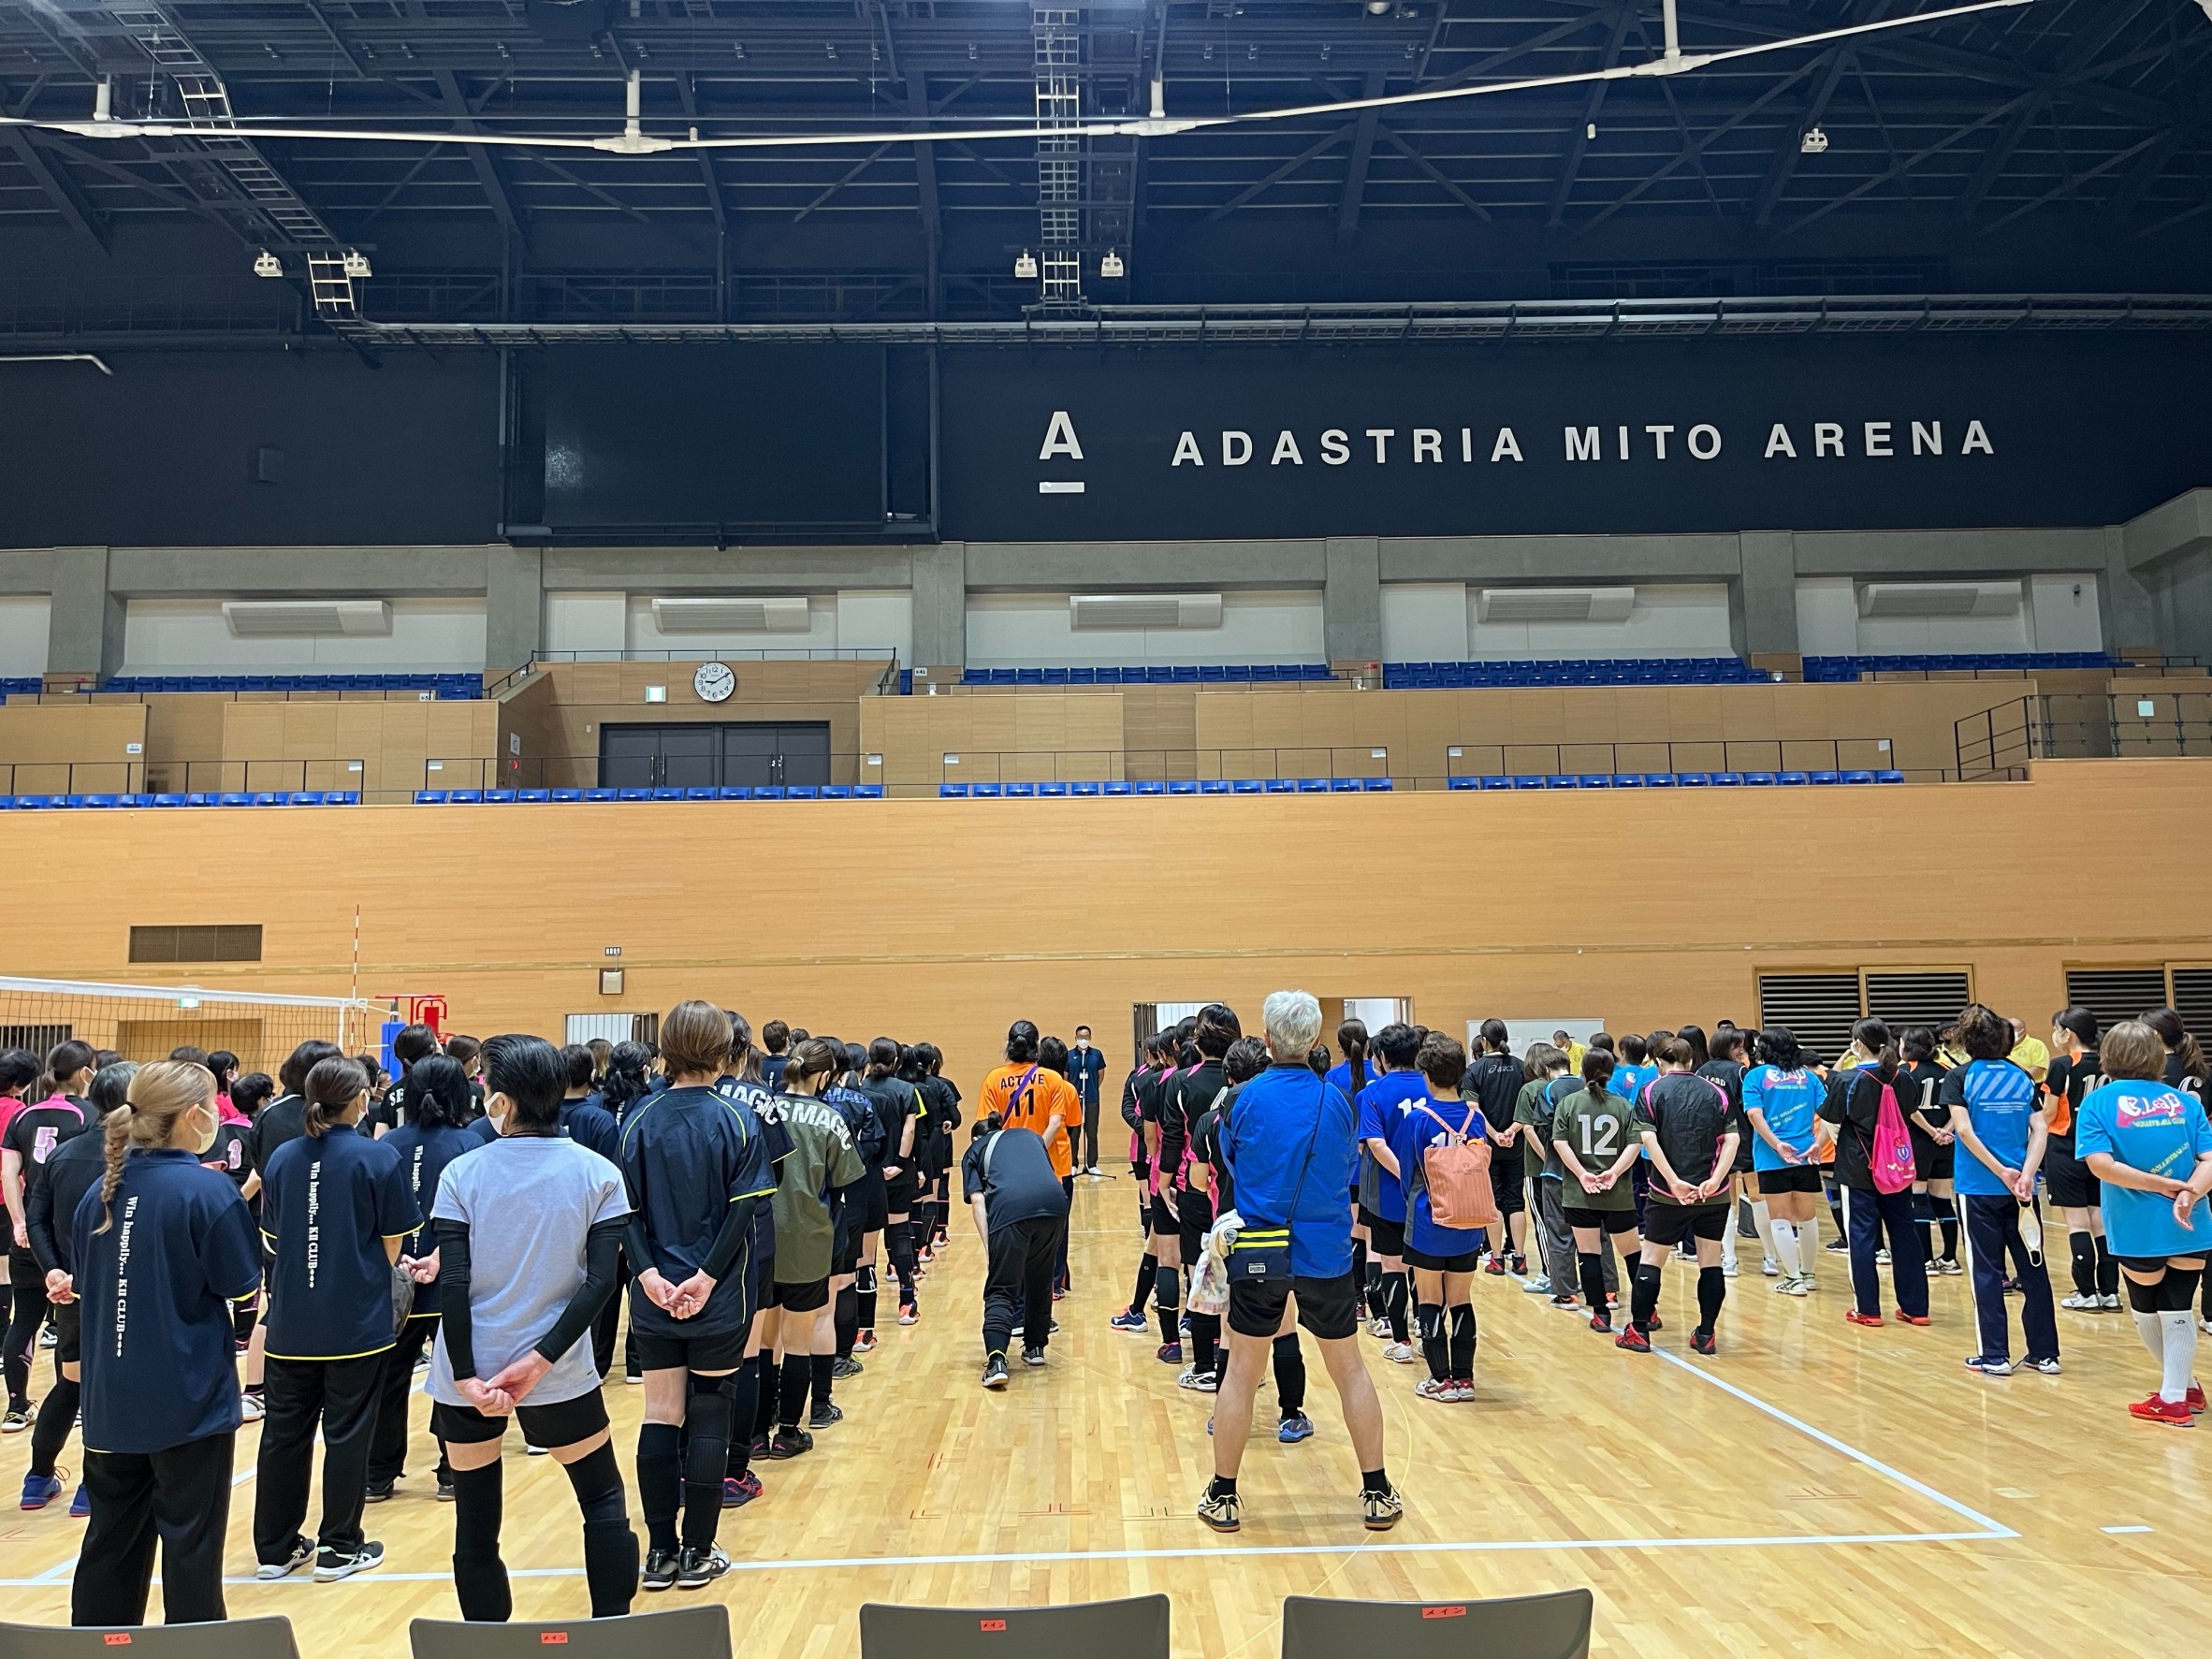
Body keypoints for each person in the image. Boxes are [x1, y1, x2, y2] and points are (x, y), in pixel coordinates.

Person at [430, 1033, 639, 1621]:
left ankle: (488, 1646)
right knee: (602, 1499)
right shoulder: (598, 1173)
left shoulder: (462, 1173)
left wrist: (467, 1377)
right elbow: (599, 1283)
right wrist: (539, 1361)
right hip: (557, 1369)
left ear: (502, 1101)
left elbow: (453, 1282)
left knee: (475, 1524)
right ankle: (613, 1633)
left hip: (468, 1373)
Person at [1201, 990, 1401, 1536]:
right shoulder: (1337, 1100)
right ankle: (1377, 1490)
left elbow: (1231, 1163)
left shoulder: (1241, 1099)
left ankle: (1223, 1495)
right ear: (1314, 1040)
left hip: (1259, 1252)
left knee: (1242, 1372)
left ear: (1267, 1039)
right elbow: (1344, 1164)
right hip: (1327, 1254)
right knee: (1349, 1369)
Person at [70, 1060, 261, 1625]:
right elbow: (241, 1286)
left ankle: (96, 1649)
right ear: (196, 1115)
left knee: (109, 1543)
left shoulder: (97, 1194)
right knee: (191, 1549)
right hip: (187, 1399)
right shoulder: (208, 1190)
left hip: (109, 1401)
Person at [617, 1001, 778, 1592]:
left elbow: (624, 1212)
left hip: (654, 1297)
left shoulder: (637, 1118)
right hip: (720, 1297)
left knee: (660, 1412)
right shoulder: (737, 1118)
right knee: (710, 1409)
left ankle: (659, 1552)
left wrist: (648, 1276)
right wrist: (707, 1278)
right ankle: (697, 1554)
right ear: (721, 1050)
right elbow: (743, 1212)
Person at [254, 1055, 417, 1582]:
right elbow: (392, 1244)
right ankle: (339, 1548)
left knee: (283, 1435)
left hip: (290, 1323)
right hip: (356, 1324)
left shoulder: (282, 1158)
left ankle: (275, 1551)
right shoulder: (378, 1157)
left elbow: (274, 1239)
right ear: (361, 1099)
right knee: (347, 1435)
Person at [2074, 1020, 2212, 1426]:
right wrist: (2189, 1192)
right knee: (2179, 1306)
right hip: (2190, 1218)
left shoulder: (2098, 1103)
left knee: (2147, 1308)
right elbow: (2208, 1160)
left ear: (2109, 1056)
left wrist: (2160, 1185)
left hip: (2136, 1222)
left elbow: (2101, 1166)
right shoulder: (2184, 1102)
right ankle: (2183, 1387)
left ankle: (2172, 1399)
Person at [22, 1060, 134, 1517]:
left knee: (72, 1384)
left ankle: (37, 1479)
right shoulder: (137, 1160)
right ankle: (93, 1486)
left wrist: (53, 1271)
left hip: (71, 1293)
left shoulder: (63, 1153)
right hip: (121, 1294)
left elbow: (36, 1219)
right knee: (115, 1387)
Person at [367, 1055, 479, 1504]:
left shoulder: (385, 1145)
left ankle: (377, 1474)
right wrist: (437, 1255)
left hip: (393, 1281)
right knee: (456, 1375)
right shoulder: (469, 1144)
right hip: (450, 1277)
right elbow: (477, 1215)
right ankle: (453, 1470)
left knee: (388, 1379)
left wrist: (397, 1260)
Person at [750, 1039, 865, 1465]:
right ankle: (788, 1433)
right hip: (809, 1240)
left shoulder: (761, 1109)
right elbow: (847, 1180)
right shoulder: (830, 1118)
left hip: (763, 1238)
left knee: (764, 1343)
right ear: (823, 1076)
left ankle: (756, 1433)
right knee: (798, 1341)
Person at [1944, 1003, 2060, 1377]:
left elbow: (1964, 1131)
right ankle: (2045, 1354)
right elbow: (2040, 1128)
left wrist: (2001, 1172)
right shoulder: (2021, 1076)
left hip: (1978, 1188)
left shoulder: (1959, 1077)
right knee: (2033, 1268)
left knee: (1986, 1270)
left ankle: (1994, 1355)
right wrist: (2026, 1174)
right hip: (2024, 1191)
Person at [1622, 1039, 1739, 1354]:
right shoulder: (1716, 1091)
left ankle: (1639, 1331)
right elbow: (1732, 1140)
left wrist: (1673, 1182)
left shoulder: (1650, 1091)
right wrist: (1716, 1180)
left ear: (1659, 1062)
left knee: (1651, 1259)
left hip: (1667, 1193)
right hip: (1713, 1194)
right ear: (1691, 1061)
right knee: (1710, 1261)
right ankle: (1706, 1333)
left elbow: (1649, 1140)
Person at [3, 1040, 96, 1430]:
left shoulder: (23, 1116)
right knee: (69, 1326)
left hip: (30, 1235)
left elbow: (8, 1173)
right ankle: (71, 1405)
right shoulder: (89, 1116)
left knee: (24, 1319)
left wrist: (20, 1222)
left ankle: (16, 1406)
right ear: (86, 1073)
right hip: (67, 1241)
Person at [1389, 1033, 1486, 1402]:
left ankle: (1441, 1379)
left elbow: (1406, 1173)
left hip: (1428, 1221)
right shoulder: (1476, 1119)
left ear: (1427, 1076)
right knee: (1461, 1299)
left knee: (1429, 1299)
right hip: (1469, 1221)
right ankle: (1465, 1379)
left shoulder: (1418, 1120)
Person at [1818, 1021, 1930, 1332]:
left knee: (1862, 1236)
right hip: (1896, 1165)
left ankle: (1867, 1308)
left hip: (1859, 1167)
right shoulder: (1903, 1077)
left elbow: (1830, 1115)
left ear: (1857, 1043)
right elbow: (1910, 1109)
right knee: (1905, 1234)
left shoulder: (1847, 1079)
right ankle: (1916, 1308)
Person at [964, 1112, 1071, 1387]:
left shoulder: (974, 1150)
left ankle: (997, 1360)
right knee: (1040, 1278)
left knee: (1002, 1287)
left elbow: (978, 1202)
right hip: (1055, 1204)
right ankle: (1035, 1348)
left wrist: (991, 1249)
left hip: (1012, 1207)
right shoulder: (1030, 1137)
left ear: (976, 1138)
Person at [1166, 1006, 1238, 1389]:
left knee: (1201, 1272)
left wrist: (1162, 1183)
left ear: (1197, 1042)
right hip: (1240, 1193)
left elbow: (1171, 1137)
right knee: (1241, 1277)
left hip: (1197, 1184)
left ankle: (1206, 1365)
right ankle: (1241, 1364)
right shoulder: (1251, 1087)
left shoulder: (1181, 1081)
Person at [1552, 1049, 1642, 1335]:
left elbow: (1559, 1143)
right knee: (1632, 1254)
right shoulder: (1623, 1105)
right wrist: (1614, 1172)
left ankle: (1600, 1314)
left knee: (1589, 1253)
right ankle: (1646, 1312)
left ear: (1582, 1071)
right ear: (1611, 1073)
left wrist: (1582, 1174)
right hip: (1618, 1195)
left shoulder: (1568, 1103)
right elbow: (1635, 1144)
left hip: (1580, 1193)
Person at [1355, 1023, 1427, 1364]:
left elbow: (1375, 1144)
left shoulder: (1372, 1093)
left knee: (1392, 1265)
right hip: (1432, 1194)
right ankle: (1427, 1333)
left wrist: (1406, 1176)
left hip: (1387, 1195)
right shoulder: (1434, 1086)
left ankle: (1402, 1340)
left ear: (1382, 1056)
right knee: (1425, 1267)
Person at [2044, 1008, 2120, 1314]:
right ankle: (2110, 1293)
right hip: (2102, 1151)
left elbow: (2049, 1113)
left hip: (2066, 1149)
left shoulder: (2061, 1065)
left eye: (2057, 1029)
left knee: (2077, 1224)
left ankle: (2087, 1293)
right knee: (2100, 1222)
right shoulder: (2109, 1064)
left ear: (2068, 1033)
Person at [1743, 1027, 1828, 1296]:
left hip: (1772, 1157)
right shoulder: (1809, 1077)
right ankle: (1808, 1275)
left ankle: (1793, 1279)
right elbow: (1829, 1113)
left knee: (1779, 1218)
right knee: (1807, 1217)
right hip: (1806, 1155)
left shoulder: (1756, 1076)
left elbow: (1754, 1115)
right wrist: (1819, 1143)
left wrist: (1776, 1144)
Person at [1461, 1020, 1529, 1277]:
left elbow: (1473, 1109)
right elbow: (1528, 1109)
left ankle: (1497, 1258)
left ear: (1484, 1041)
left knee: (1494, 1202)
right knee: (1516, 1201)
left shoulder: (1474, 1070)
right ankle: (1520, 1258)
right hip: (1516, 1145)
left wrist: (1496, 1135)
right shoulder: (1521, 1067)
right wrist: (1511, 1131)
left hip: (1487, 1146)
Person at [1899, 1027, 1960, 1276]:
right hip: (1946, 1141)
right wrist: (1946, 1131)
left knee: (1918, 1195)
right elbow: (1960, 1106)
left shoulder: (1904, 1071)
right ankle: (1950, 1258)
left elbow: (1910, 1108)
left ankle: (1925, 1260)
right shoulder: (1948, 1070)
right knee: (1943, 1197)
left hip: (1918, 1141)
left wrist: (1932, 1131)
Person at [1069, 1025, 1108, 1175]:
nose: (1083, 1040)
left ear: (1090, 1038)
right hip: (1074, 1101)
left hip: (1091, 1099)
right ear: (1076, 1038)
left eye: (1086, 1037)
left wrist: (1093, 1088)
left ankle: (1091, 1164)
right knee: (1074, 1133)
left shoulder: (1096, 1055)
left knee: (1091, 1132)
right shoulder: (1069, 1055)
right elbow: (1066, 1076)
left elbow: (1100, 1074)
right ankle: (1073, 1163)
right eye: (1080, 1037)